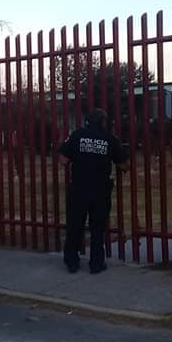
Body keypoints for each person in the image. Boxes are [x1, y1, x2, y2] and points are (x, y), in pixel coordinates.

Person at [59, 108, 127, 274]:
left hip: (79, 188)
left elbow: (63, 160)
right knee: (97, 228)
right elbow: (123, 165)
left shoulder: (77, 135)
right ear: (103, 122)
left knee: (75, 225)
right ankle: (96, 263)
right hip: (100, 190)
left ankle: (72, 262)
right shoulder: (110, 138)